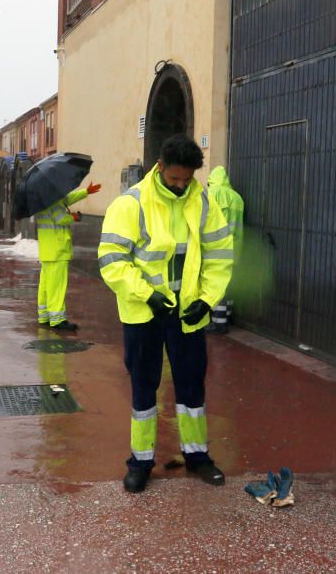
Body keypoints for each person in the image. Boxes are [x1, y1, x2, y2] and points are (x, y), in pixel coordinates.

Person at [98, 135, 234, 493]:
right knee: (144, 386)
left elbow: (220, 255)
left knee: (192, 384)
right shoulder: (131, 204)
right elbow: (112, 260)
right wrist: (147, 295)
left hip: (187, 311)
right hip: (144, 312)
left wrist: (207, 300)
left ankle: (198, 456)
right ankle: (140, 462)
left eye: (186, 180)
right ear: (159, 167)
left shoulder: (202, 202)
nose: (179, 186)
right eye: (174, 179)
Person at [36, 181, 101, 331]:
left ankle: (44, 315)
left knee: (46, 285)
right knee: (57, 287)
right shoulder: (54, 203)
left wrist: (86, 192)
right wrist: (73, 217)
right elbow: (61, 218)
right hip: (58, 251)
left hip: (47, 251)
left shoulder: (44, 200)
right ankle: (58, 320)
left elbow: (68, 199)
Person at [205, 166, 244, 333]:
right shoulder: (237, 198)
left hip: (216, 247)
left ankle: (219, 323)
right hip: (235, 247)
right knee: (229, 284)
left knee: (217, 284)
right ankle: (227, 316)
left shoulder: (211, 193)